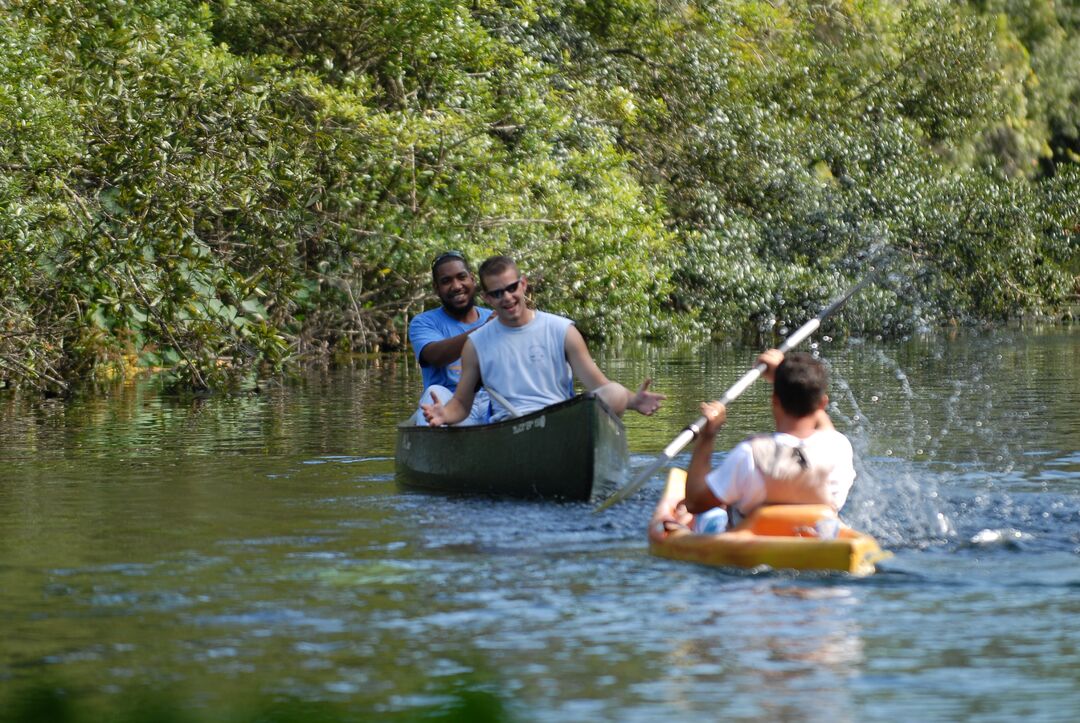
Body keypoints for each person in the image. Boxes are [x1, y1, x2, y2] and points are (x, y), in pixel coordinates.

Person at [421, 255, 665, 425]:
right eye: (497, 293)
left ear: (523, 285)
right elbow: (462, 404)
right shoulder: (475, 344)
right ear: (487, 298)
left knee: (613, 391)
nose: (506, 298)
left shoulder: (563, 330)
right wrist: (444, 414)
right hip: (511, 427)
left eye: (511, 288)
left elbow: (599, 385)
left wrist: (632, 400)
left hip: (562, 420)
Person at [682, 349, 856, 532]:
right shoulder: (838, 446)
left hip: (750, 547)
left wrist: (708, 435)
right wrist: (784, 376)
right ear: (823, 403)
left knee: (691, 513)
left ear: (774, 400)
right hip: (817, 540)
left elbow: (694, 503)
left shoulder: (750, 454)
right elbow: (824, 425)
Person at [408, 251, 493, 426]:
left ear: (473, 279)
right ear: (436, 288)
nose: (456, 286)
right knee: (433, 393)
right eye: (446, 281)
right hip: (449, 404)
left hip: (492, 402)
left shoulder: (495, 317)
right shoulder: (423, 322)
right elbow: (435, 357)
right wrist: (485, 330)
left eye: (462, 277)